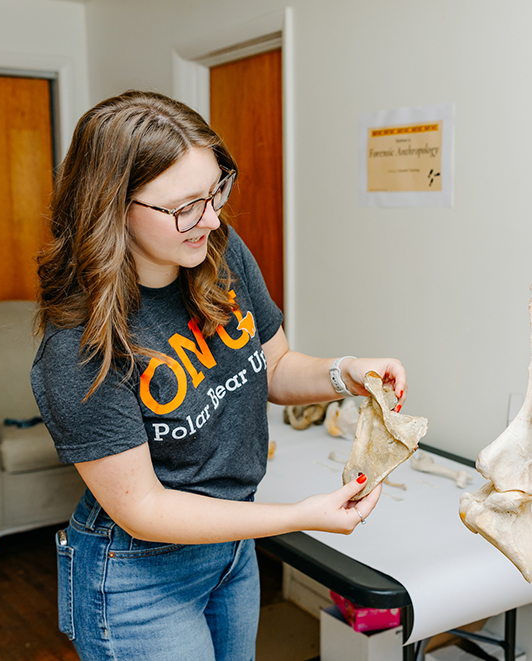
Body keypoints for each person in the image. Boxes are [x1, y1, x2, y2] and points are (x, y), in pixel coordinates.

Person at [30, 90, 407, 661]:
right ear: (113, 206)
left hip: (233, 547)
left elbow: (274, 367)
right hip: (139, 573)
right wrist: (298, 517)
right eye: (186, 205)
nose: (210, 217)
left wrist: (344, 373)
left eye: (215, 191)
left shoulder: (219, 253)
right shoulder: (78, 347)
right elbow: (146, 509)